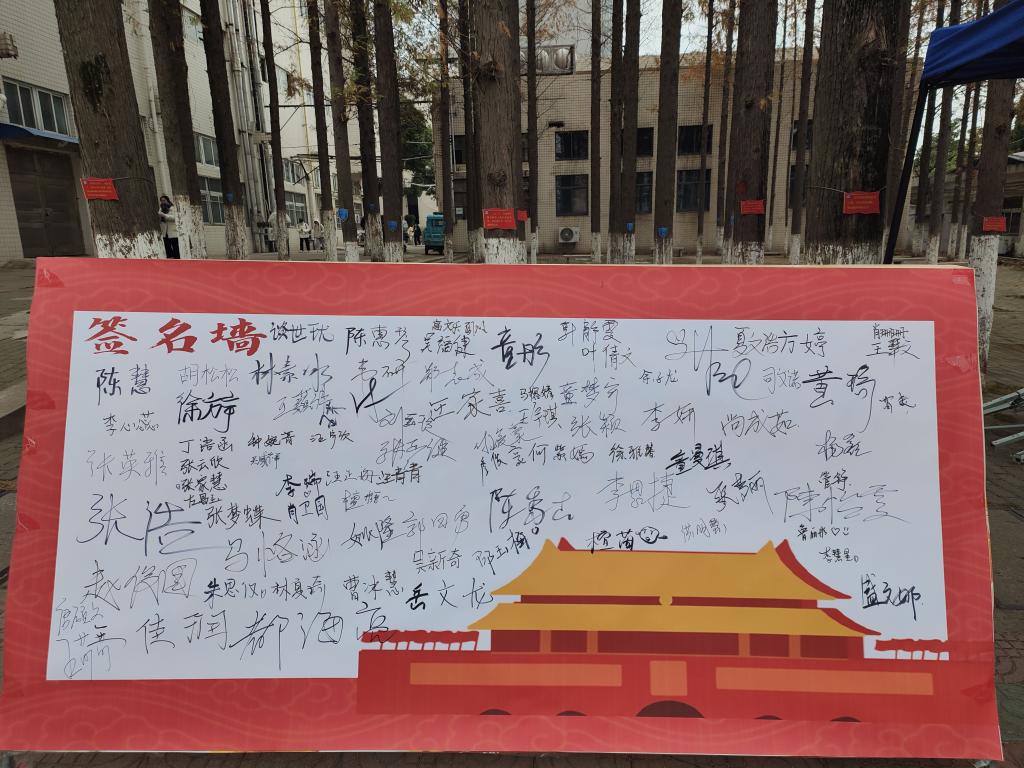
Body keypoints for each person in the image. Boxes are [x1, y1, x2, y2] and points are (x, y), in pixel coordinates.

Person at [158, 195, 180, 259]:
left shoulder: (172, 208)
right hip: (165, 231)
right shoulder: (161, 208)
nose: (163, 202)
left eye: (164, 200)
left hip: (172, 231)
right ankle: (170, 258)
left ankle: (177, 258)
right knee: (167, 246)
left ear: (167, 200)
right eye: (161, 201)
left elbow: (174, 218)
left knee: (175, 246)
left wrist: (164, 215)